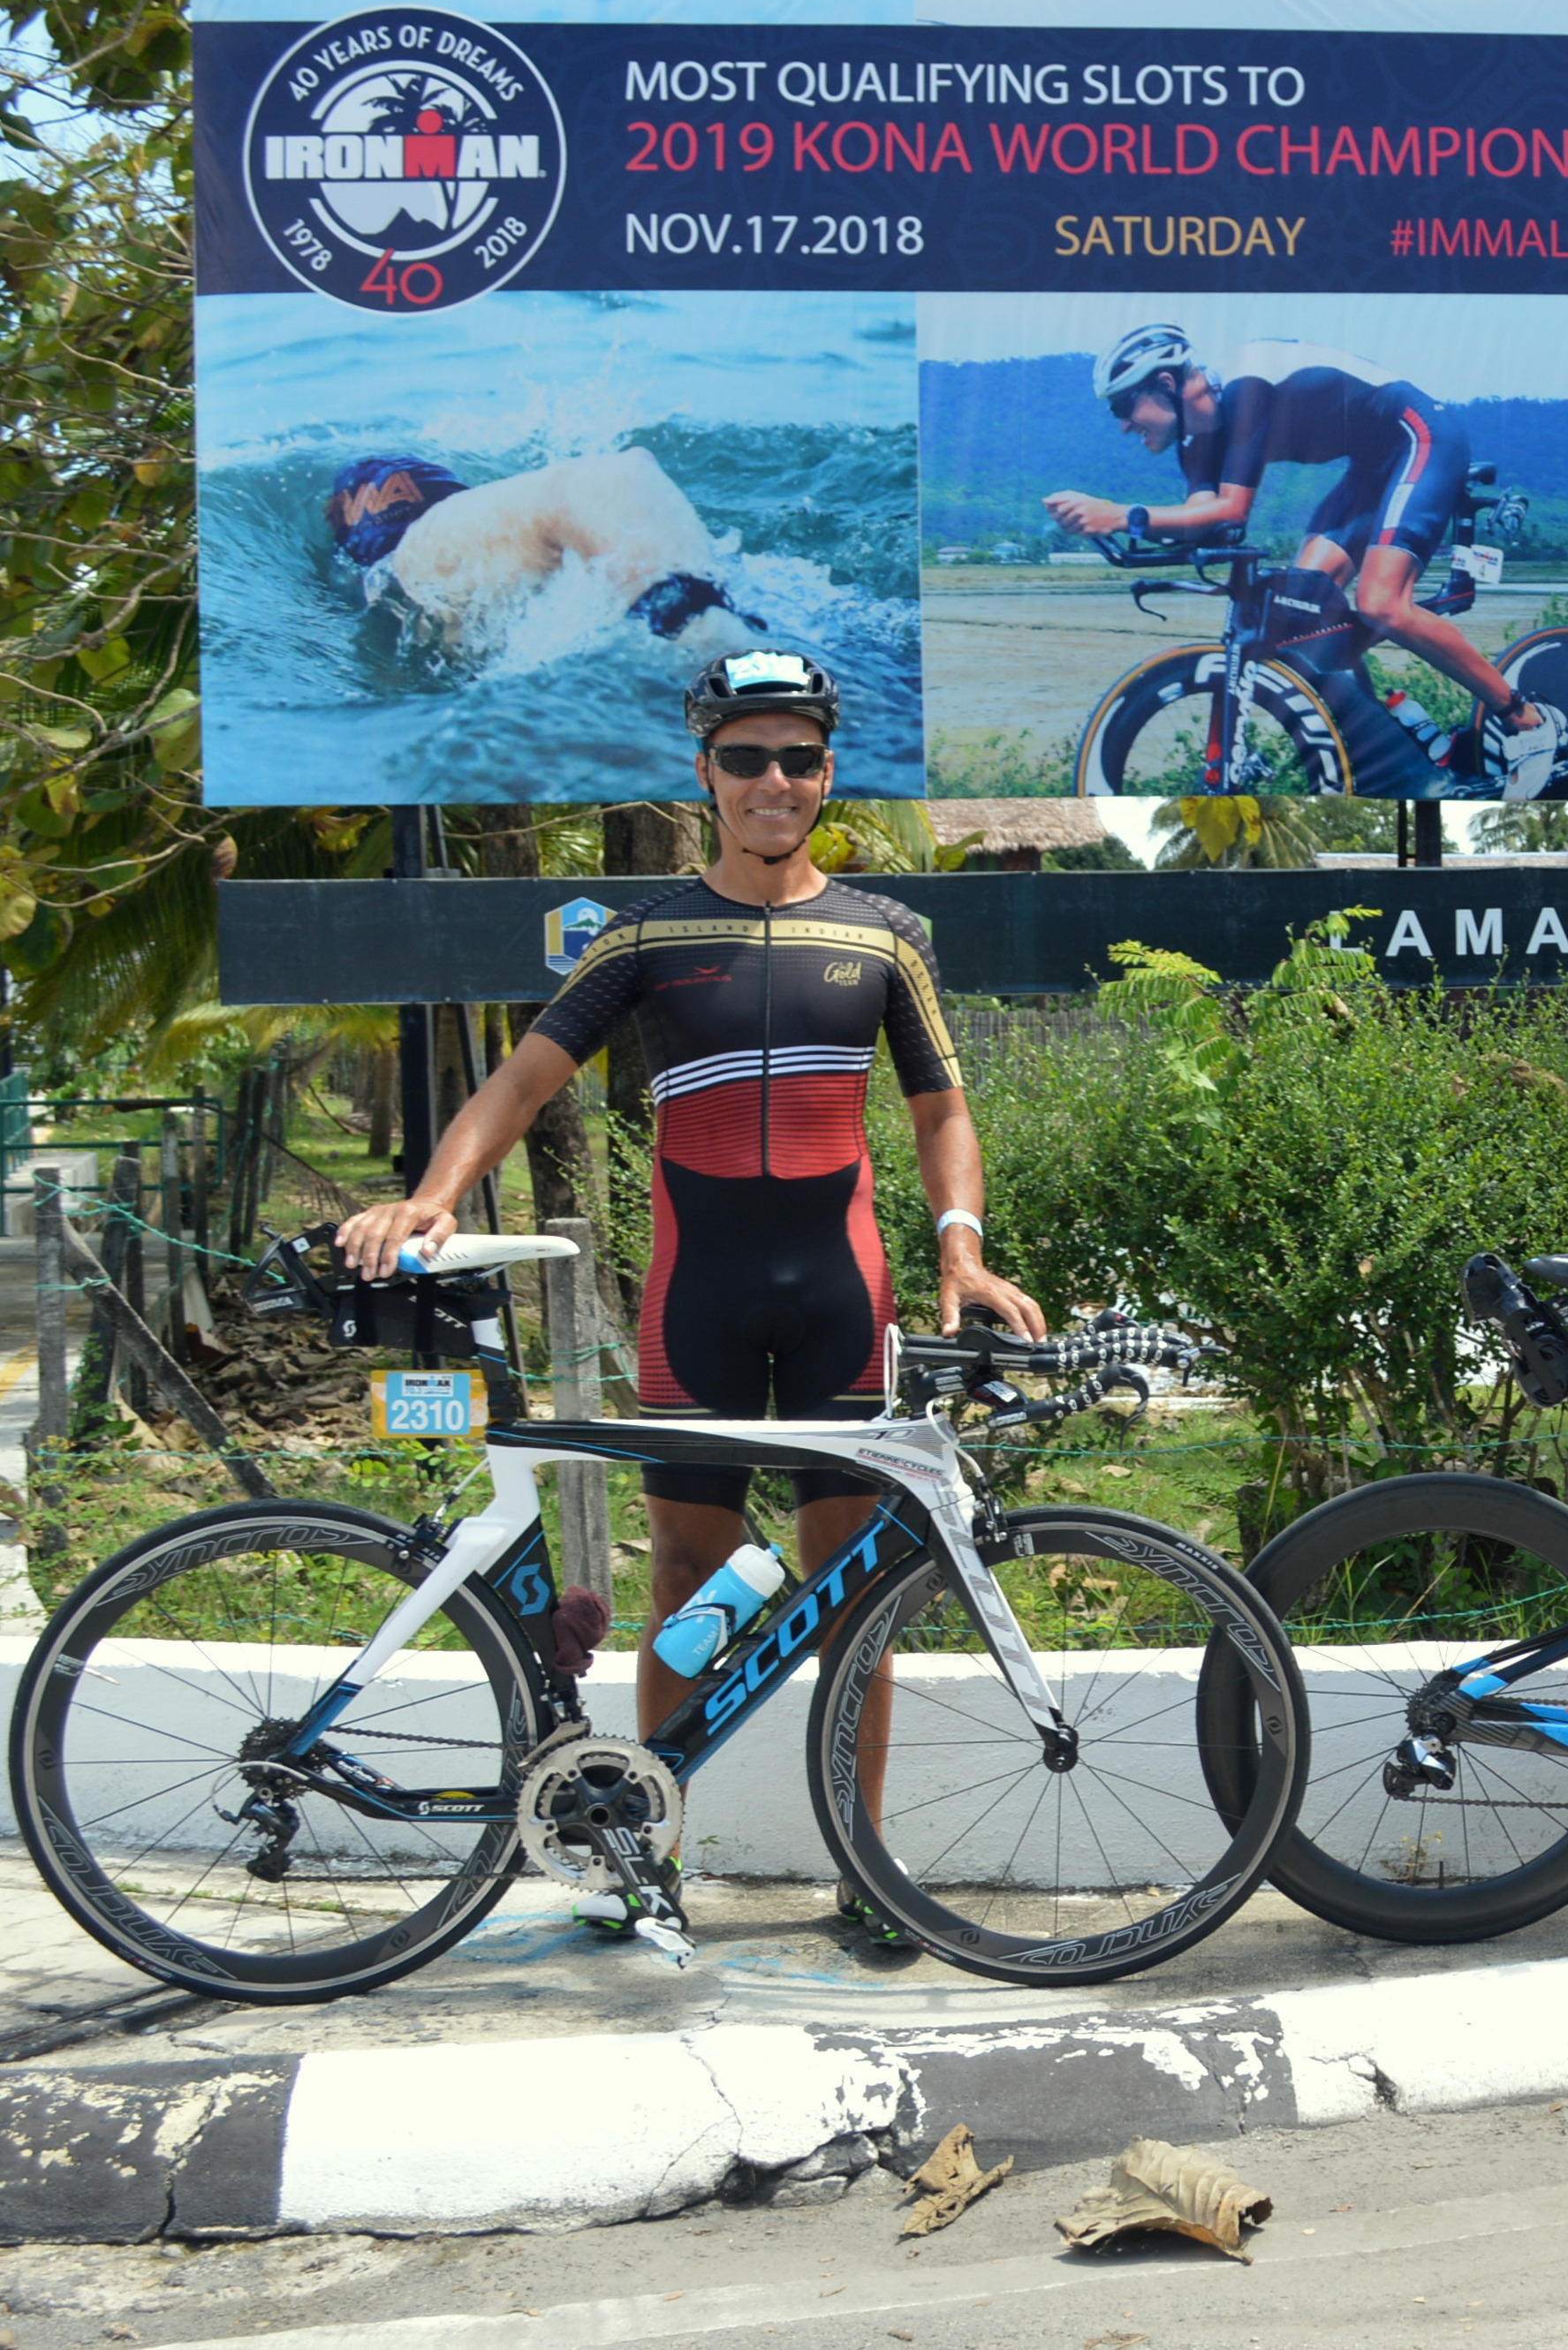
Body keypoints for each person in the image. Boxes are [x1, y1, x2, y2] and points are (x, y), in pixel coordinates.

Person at [335, 648, 1049, 1944]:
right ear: (705, 774)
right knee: (684, 1575)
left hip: (843, 1291)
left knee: (854, 1591)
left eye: (797, 758)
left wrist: (959, 1248)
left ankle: (868, 1872)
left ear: (826, 775)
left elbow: (940, 1104)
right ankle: (641, 1861)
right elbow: (521, 1083)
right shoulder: (650, 935)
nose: (773, 782)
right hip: (696, 1298)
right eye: (744, 758)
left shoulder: (883, 935)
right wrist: (434, 1195)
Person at [1043, 323, 1564, 796]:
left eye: (1122, 407)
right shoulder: (1196, 442)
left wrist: (1118, 514)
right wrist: (1121, 523)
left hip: (1421, 438)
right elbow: (1206, 520)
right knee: (1304, 608)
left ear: (1164, 384)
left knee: (1381, 604)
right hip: (1371, 469)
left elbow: (1230, 507)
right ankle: (1409, 740)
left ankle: (1528, 722)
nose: (1122, 426)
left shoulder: (1246, 390)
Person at [325, 448, 763, 644]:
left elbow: (609, 477)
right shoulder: (441, 549)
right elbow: (606, 481)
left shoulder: (417, 557)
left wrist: (692, 624)